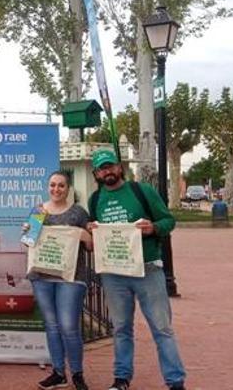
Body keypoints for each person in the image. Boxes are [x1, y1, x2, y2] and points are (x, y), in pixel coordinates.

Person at [86, 149, 186, 390]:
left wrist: (153, 228)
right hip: (114, 273)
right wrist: (92, 230)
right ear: (96, 173)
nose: (107, 171)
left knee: (162, 328)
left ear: (119, 168)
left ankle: (175, 382)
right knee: (121, 328)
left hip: (147, 269)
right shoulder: (95, 199)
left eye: (110, 166)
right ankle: (121, 379)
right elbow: (95, 233)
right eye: (102, 168)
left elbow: (168, 221)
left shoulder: (141, 191)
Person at [28, 171, 93, 390]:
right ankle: (58, 372)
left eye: (61, 186)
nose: (56, 189)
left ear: (68, 189)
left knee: (68, 326)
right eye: (53, 185)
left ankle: (77, 373)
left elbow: (92, 245)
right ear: (48, 187)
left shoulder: (78, 213)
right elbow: (28, 242)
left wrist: (85, 236)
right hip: (42, 276)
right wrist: (28, 230)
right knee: (52, 326)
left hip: (71, 277)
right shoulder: (38, 211)